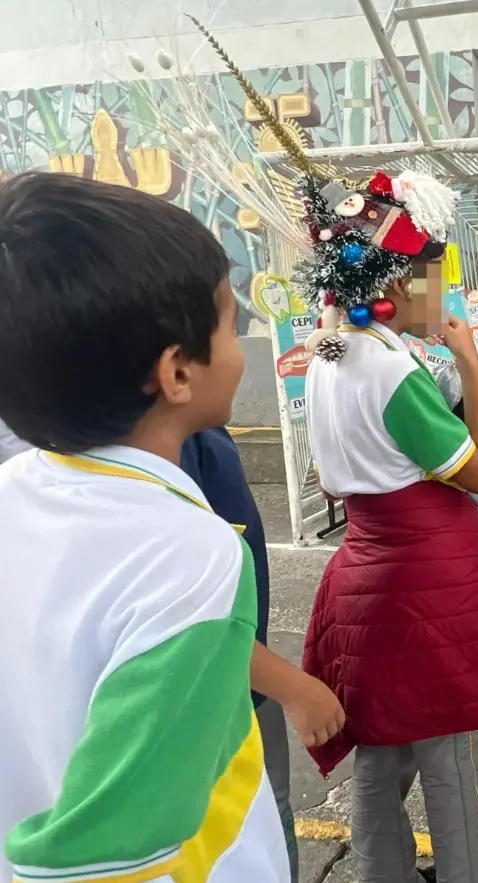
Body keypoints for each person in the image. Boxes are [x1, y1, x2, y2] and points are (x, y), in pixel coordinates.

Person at [0, 173, 288, 881]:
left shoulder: (14, 494)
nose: (237, 343)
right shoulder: (191, 556)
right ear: (177, 371)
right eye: (227, 322)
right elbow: (108, 849)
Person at [282, 164, 478, 883]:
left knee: (381, 751)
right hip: (426, 587)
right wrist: (472, 365)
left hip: (362, 578)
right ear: (396, 284)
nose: (445, 286)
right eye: (436, 270)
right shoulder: (395, 374)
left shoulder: (331, 355)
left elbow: (333, 479)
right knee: (453, 757)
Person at [181, 425, 349, 882]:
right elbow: (179, 607)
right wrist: (290, 687)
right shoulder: (160, 449)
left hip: (243, 677)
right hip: (216, 692)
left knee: (269, 814)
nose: (236, 352)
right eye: (222, 346)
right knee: (250, 822)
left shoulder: (199, 430)